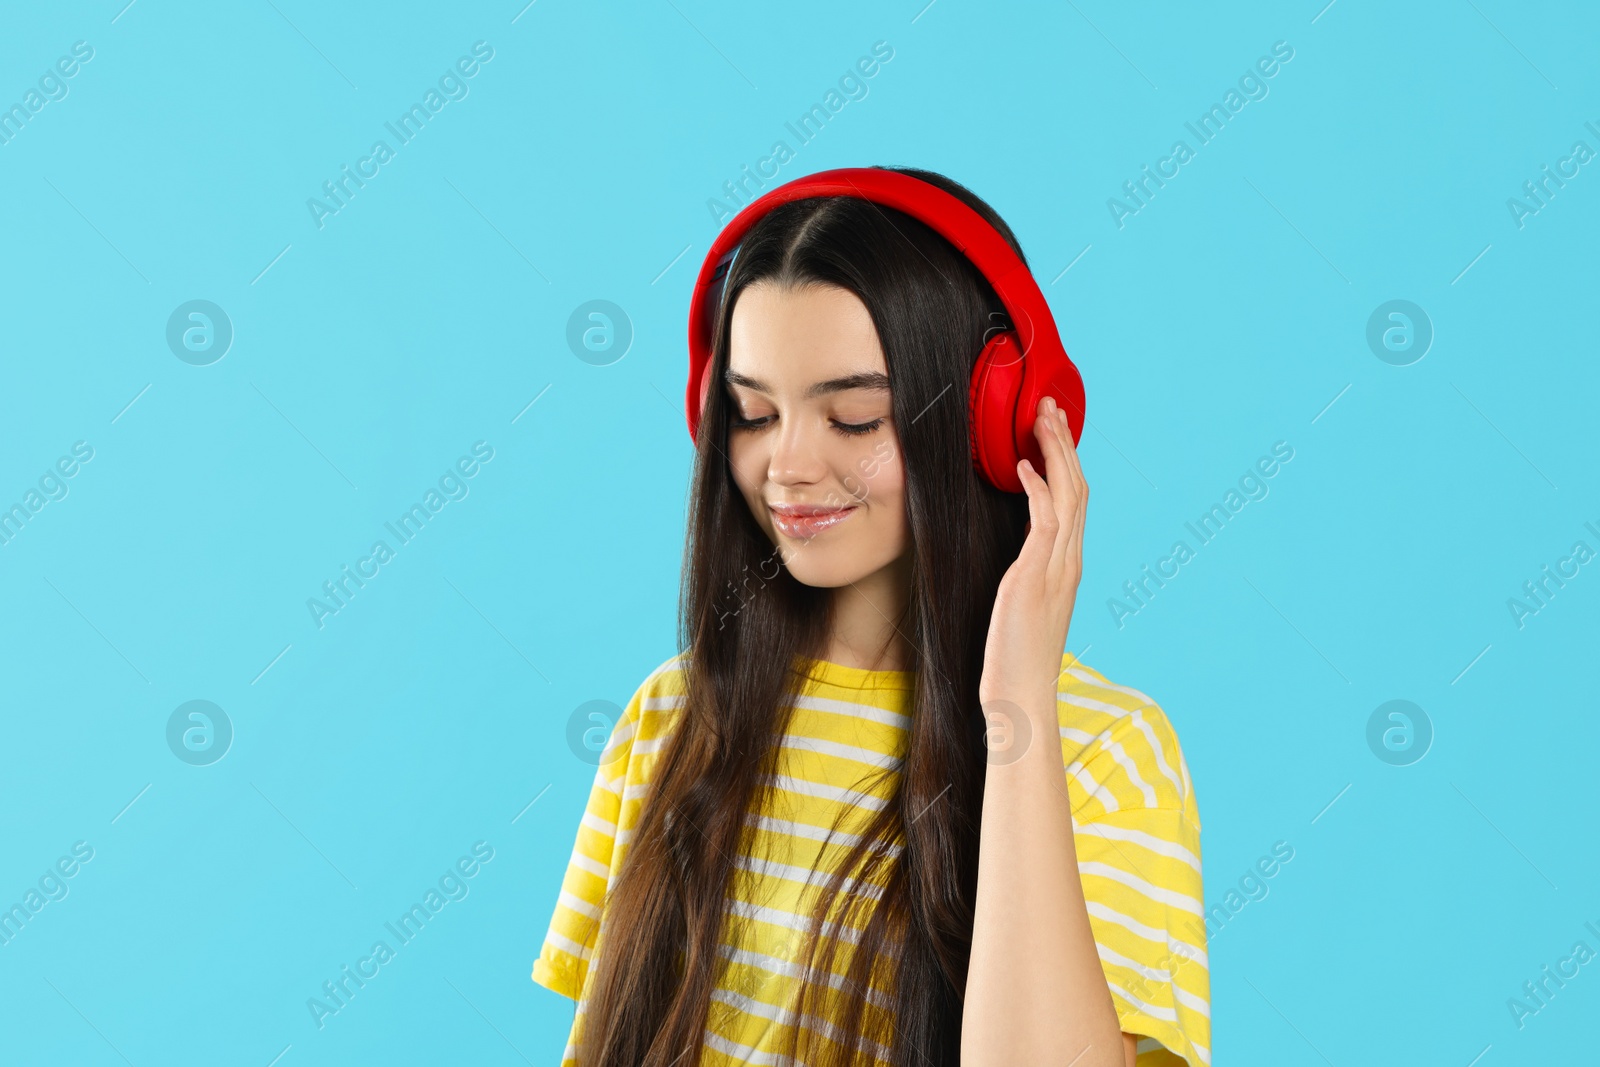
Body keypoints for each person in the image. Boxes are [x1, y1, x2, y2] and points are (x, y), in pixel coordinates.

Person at [531, 166, 1208, 1067]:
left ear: (988, 422)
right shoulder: (669, 718)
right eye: (753, 412)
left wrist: (1015, 704)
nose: (789, 466)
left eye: (854, 417)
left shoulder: (1102, 753)